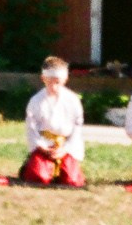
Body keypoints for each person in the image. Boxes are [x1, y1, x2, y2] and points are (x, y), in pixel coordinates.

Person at [16, 56, 86, 187]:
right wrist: (42, 146)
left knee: (72, 181)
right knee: (39, 177)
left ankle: (63, 170)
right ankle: (29, 167)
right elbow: (31, 128)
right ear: (43, 79)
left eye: (57, 82)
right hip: (45, 145)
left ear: (65, 80)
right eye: (50, 82)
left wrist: (65, 149)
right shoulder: (36, 101)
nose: (54, 86)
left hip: (65, 146)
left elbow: (77, 128)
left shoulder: (72, 100)